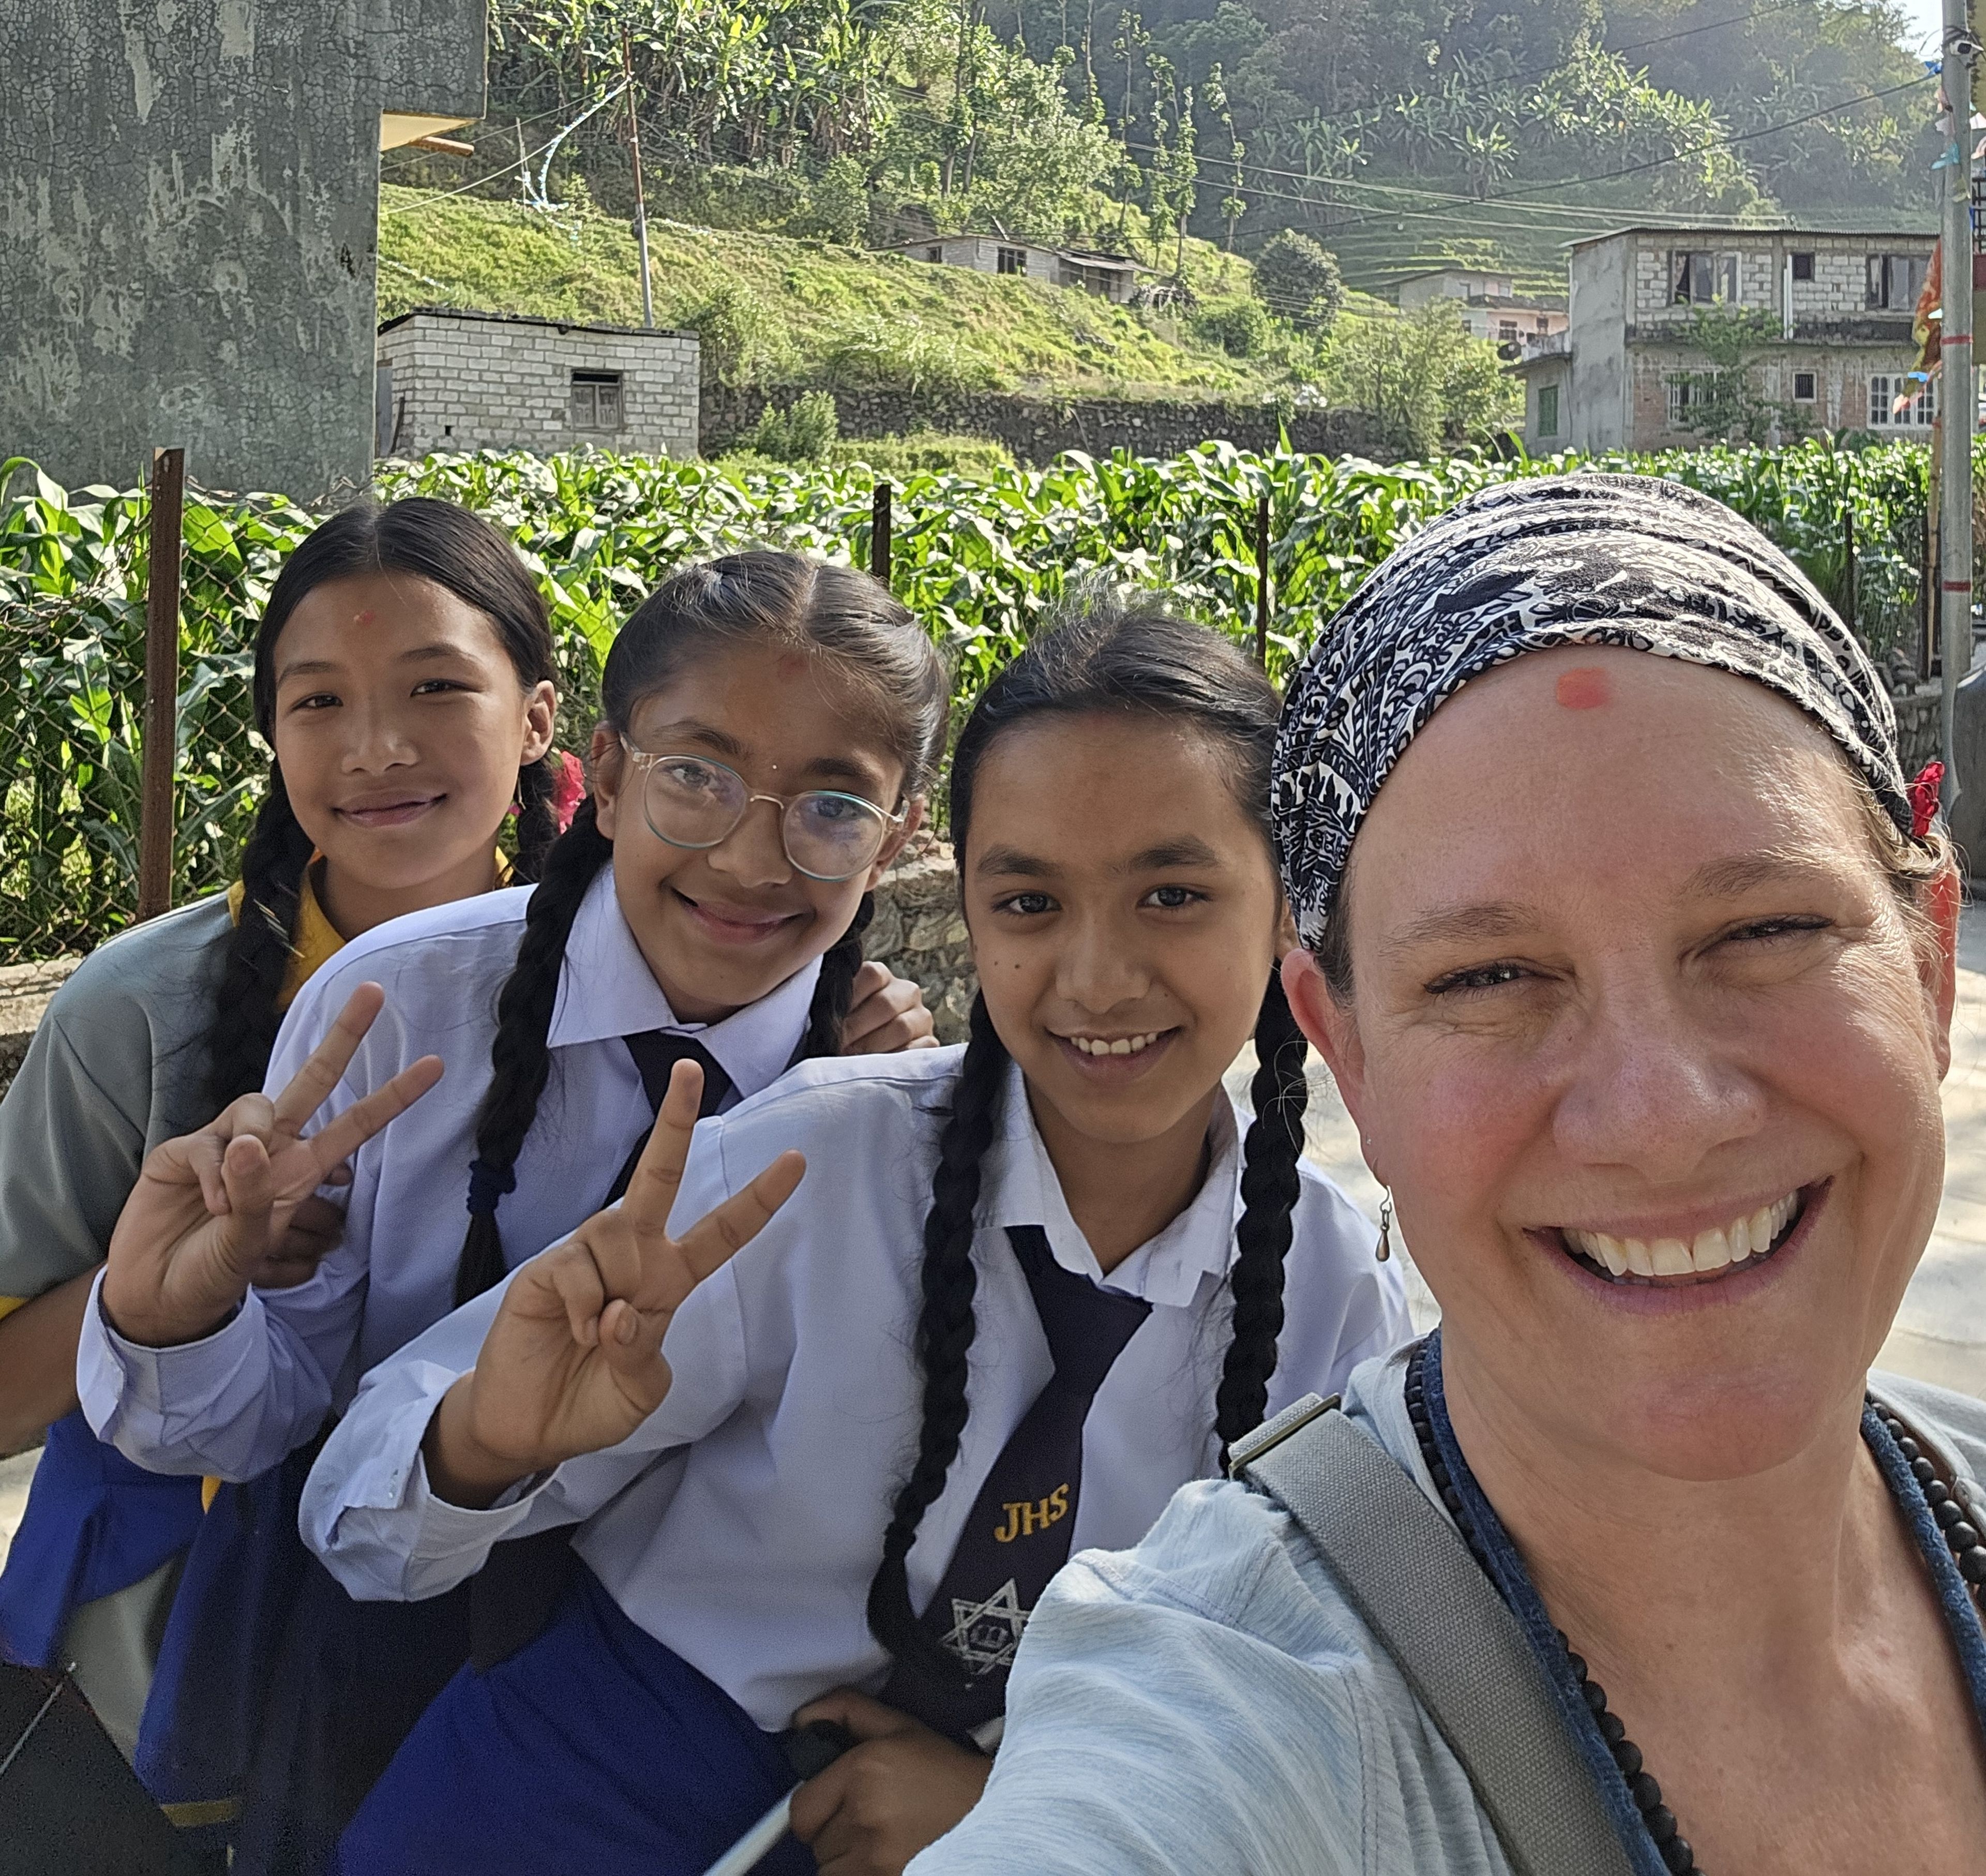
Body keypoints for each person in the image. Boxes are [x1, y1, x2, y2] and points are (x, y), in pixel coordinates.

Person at [902, 473, 1986, 1876]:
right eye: (1490, 976)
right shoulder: (1240, 1716)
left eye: (1768, 926)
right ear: (1343, 1049)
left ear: (1927, 954)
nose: (1661, 1117)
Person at [290, 596, 1409, 1876]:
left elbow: (1332, 1719)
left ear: (1287, 913)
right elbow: (354, 1510)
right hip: (579, 1793)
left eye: (1172, 892)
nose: (1098, 977)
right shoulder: (809, 1166)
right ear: (971, 913)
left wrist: (1019, 1798)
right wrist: (492, 1435)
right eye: (1031, 901)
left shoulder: (1334, 1306)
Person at [82, 550, 944, 1871]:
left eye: (832, 805)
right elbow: (274, 1418)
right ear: (603, 763)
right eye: (697, 775)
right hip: (370, 1650)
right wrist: (171, 1313)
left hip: (684, 1746)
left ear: (901, 831)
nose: (752, 855)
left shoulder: (884, 1104)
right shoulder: (401, 1011)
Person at [0, 497, 562, 1830]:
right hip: (168, 1656)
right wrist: (181, 1283)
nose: (375, 747)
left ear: (539, 716)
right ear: (270, 734)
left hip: (524, 1638)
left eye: (436, 686)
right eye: (318, 703)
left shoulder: (648, 990)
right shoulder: (140, 1011)